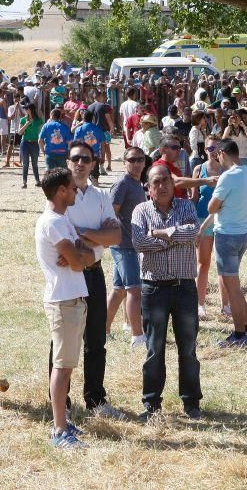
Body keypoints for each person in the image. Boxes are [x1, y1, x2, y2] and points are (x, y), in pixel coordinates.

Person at [51, 140, 125, 419]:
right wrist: (95, 235)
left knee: (96, 340)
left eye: (85, 159)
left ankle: (95, 399)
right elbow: (60, 242)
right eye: (75, 158)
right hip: (69, 275)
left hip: (94, 274)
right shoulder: (58, 195)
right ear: (68, 163)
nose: (80, 163)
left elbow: (116, 236)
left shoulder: (100, 196)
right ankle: (61, 403)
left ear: (94, 164)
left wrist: (81, 234)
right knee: (62, 343)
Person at [131, 164, 202, 421]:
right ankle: (151, 404)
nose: (161, 186)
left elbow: (194, 231)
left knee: (188, 348)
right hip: (154, 289)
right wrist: (175, 237)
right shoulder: (140, 211)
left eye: (165, 181)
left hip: (184, 286)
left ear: (174, 185)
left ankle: (192, 403)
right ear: (148, 188)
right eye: (155, 183)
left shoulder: (186, 207)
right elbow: (139, 241)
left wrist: (161, 234)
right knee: (154, 348)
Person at [36, 167, 95, 449]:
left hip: (71, 299)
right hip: (64, 300)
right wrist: (80, 256)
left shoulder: (62, 220)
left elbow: (83, 253)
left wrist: (80, 254)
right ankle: (59, 430)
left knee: (67, 365)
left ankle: (63, 423)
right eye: (72, 188)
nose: (76, 191)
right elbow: (78, 259)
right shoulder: (55, 223)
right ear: (61, 190)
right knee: (61, 367)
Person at [202, 139, 247, 347]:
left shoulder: (227, 177)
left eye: (217, 153)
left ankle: (238, 334)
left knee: (231, 287)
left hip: (227, 235)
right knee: (234, 285)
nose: (216, 157)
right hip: (242, 234)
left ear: (223, 153)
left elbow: (211, 207)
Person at [105, 146, 148, 347]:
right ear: (124, 163)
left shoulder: (137, 183)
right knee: (134, 290)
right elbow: (110, 213)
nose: (137, 163)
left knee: (119, 290)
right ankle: (138, 337)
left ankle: (102, 330)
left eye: (140, 159)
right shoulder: (122, 184)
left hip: (131, 244)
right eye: (132, 160)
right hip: (124, 245)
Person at [191, 135, 225, 320]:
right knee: (203, 264)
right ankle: (199, 304)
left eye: (217, 148)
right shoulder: (199, 169)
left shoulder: (227, 170)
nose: (213, 152)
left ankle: (225, 305)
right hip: (202, 219)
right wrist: (192, 222)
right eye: (210, 148)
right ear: (205, 150)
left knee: (224, 265)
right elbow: (194, 197)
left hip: (221, 220)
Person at [19, 104, 43, 189]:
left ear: (31, 109)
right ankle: (24, 182)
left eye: (27, 108)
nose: (25, 110)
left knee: (34, 163)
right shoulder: (22, 120)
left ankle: (37, 181)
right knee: (25, 163)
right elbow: (20, 132)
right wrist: (27, 124)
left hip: (34, 143)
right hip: (25, 143)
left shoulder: (38, 120)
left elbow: (40, 132)